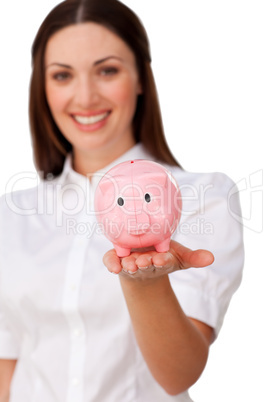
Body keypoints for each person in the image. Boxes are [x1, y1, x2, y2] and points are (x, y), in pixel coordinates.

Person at [0, 0, 244, 401]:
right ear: (42, 88)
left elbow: (178, 375)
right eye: (62, 75)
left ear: (141, 78)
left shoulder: (203, 198)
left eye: (107, 70)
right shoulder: (11, 216)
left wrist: (143, 282)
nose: (85, 96)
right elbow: (7, 372)